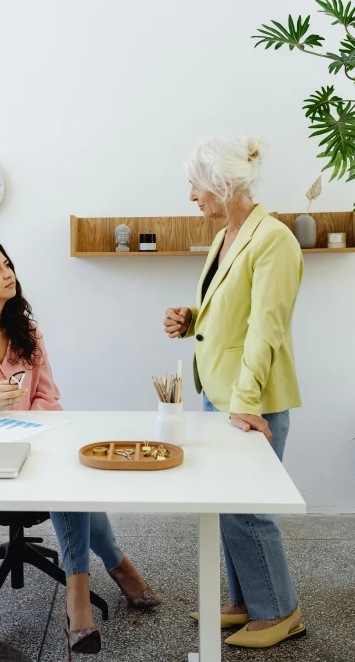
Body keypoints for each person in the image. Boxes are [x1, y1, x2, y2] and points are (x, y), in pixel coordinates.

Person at [0, 242, 159, 657]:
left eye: (7, 265)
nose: (7, 273)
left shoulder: (28, 331)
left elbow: (48, 396)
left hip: (31, 450)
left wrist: (33, 425)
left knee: (69, 477)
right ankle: (116, 569)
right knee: (68, 489)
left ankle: (78, 599)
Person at [163, 136, 306, 649]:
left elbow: (266, 330)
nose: (192, 196)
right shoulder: (230, 233)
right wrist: (190, 320)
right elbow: (233, 313)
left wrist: (245, 402)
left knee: (247, 508)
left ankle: (280, 612)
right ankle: (247, 601)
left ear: (223, 183)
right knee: (228, 505)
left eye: (196, 185)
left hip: (252, 399)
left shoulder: (273, 239)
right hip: (221, 394)